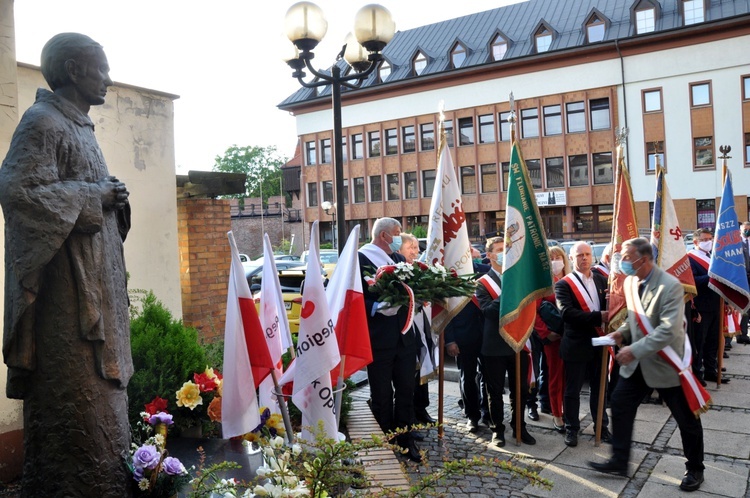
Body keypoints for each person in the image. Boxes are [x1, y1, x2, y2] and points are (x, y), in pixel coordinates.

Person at [0, 33, 133, 496]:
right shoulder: (42, 122)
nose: (109, 80)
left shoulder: (77, 126)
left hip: (97, 287)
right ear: (74, 70)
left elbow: (84, 194)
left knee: (102, 402)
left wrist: (112, 196)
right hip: (66, 300)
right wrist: (92, 196)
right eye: (101, 69)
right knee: (73, 400)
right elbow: (19, 195)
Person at [589, 238, 705, 492]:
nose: (623, 261)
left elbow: (667, 330)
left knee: (686, 419)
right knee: (619, 403)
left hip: (667, 364)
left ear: (644, 259)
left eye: (628, 257)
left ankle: (695, 468)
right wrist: (621, 333)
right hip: (639, 364)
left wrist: (633, 349)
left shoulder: (670, 286)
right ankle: (619, 460)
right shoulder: (631, 281)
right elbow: (635, 317)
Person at [358, 218, 421, 462]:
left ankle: (406, 439)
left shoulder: (397, 260)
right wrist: (375, 307)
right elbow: (350, 298)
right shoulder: (359, 259)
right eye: (396, 233)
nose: (399, 237)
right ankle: (384, 440)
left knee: (406, 390)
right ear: (384, 235)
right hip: (379, 339)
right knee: (382, 394)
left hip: (405, 337)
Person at [477, 236, 536, 447]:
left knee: (520, 390)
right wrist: (509, 291)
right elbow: (488, 312)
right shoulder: (483, 283)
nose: (504, 253)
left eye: (506, 249)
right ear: (490, 255)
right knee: (494, 391)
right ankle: (497, 430)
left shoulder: (519, 279)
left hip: (518, 342)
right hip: (494, 345)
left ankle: (520, 427)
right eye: (500, 249)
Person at [555, 241, 611, 447]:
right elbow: (567, 313)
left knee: (600, 388)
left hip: (600, 343)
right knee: (573, 391)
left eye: (587, 254)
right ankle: (572, 429)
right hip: (577, 344)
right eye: (579, 255)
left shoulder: (602, 279)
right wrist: (599, 316)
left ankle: (601, 427)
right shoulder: (563, 284)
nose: (585, 258)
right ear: (571, 258)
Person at [445, 248, 490, 432]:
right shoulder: (448, 274)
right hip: (463, 337)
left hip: (488, 335)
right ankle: (472, 415)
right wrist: (449, 340)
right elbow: (445, 310)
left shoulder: (485, 271)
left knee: (489, 378)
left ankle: (489, 413)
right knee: (468, 378)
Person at [398, 233, 436, 427]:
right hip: (406, 330)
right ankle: (410, 414)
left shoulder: (419, 270)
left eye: (416, 248)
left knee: (423, 366)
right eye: (410, 247)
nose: (416, 251)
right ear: (399, 249)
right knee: (409, 376)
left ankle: (422, 409)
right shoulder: (396, 272)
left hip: (423, 326)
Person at [534, 245, 569, 433]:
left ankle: (568, 411)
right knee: (555, 376)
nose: (556, 260)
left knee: (571, 379)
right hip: (554, 338)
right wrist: (546, 333)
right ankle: (557, 414)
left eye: (559, 256)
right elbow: (534, 311)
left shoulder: (572, 279)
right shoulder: (544, 283)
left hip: (573, 337)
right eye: (551, 257)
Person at [688, 229, 727, 384]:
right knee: (700, 341)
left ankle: (711, 371)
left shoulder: (712, 257)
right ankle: (697, 375)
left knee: (713, 341)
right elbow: (693, 281)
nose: (709, 242)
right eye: (705, 239)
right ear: (696, 242)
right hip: (701, 306)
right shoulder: (690, 259)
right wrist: (711, 275)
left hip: (716, 304)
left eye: (710, 239)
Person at [736, 221, 750, 345]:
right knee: (742, 306)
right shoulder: (736, 243)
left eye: (748, 229)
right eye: (744, 229)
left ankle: (744, 334)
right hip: (741, 278)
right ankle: (739, 334)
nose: (746, 231)